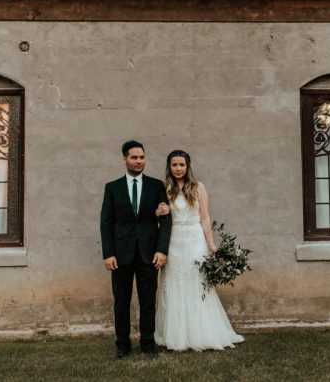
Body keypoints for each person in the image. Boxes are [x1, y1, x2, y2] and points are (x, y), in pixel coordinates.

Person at [154, 150, 244, 351]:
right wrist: (157, 213)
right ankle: (176, 335)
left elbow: (204, 217)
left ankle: (202, 332)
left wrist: (211, 243)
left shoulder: (198, 187)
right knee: (174, 285)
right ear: (169, 166)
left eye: (182, 165)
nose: (178, 168)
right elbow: (155, 217)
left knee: (198, 284)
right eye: (174, 165)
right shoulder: (163, 188)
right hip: (173, 242)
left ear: (188, 167)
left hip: (195, 240)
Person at [100, 140, 172, 359]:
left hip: (149, 253)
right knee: (121, 302)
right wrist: (108, 253)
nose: (139, 161)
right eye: (134, 157)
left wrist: (162, 250)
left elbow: (166, 220)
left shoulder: (156, 185)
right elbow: (106, 222)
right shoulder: (112, 188)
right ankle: (122, 345)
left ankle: (147, 344)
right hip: (120, 255)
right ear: (125, 159)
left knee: (148, 301)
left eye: (142, 157)